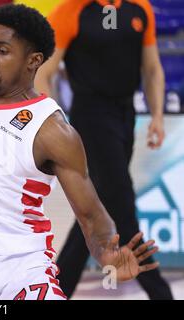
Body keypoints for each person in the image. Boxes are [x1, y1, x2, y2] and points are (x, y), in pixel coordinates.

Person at [0, 4, 159, 300]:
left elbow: (91, 214)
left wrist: (106, 253)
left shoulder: (52, 130)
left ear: (33, 61)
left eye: (3, 50)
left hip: (20, 269)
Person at [35, 0, 173, 299]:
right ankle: (160, 292)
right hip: (91, 115)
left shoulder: (140, 8)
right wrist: (54, 122)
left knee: (100, 205)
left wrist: (158, 117)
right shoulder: (73, 9)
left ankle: (56, 289)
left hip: (126, 114)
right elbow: (45, 72)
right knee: (121, 202)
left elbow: (152, 69)